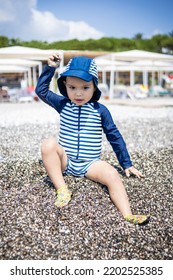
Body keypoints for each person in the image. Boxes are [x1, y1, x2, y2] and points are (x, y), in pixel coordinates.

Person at [35, 54, 150, 225]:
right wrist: (51, 67)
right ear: (65, 85)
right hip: (65, 162)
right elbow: (41, 91)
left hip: (90, 164)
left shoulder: (100, 110)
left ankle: (127, 214)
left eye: (85, 87)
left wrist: (126, 163)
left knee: (112, 174)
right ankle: (62, 189)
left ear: (94, 87)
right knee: (48, 145)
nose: (78, 93)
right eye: (72, 87)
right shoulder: (63, 104)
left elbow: (114, 136)